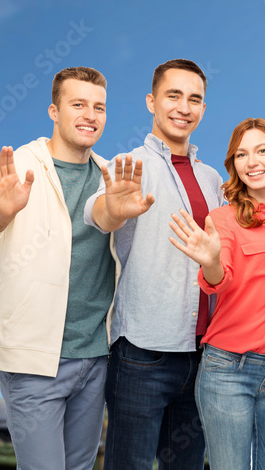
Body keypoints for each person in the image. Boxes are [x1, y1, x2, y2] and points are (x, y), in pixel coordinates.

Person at [0, 66, 114, 469]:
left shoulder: (111, 175)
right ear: (53, 111)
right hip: (32, 362)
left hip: (94, 357)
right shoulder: (19, 164)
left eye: (98, 107)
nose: (89, 115)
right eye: (77, 104)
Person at [85, 59, 222, 469]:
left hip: (202, 356)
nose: (184, 107)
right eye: (173, 96)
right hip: (142, 355)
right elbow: (98, 213)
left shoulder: (213, 179)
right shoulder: (130, 166)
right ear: (152, 101)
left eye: (194, 99)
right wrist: (113, 209)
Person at [167, 118, 265, 470]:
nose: (252, 162)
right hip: (228, 369)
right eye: (241, 155)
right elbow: (219, 278)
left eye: (261, 151)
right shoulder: (224, 218)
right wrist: (210, 261)